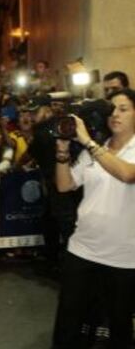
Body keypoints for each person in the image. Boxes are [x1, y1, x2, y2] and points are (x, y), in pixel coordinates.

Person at [52, 88, 135, 349]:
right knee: (69, 324)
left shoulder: (97, 147)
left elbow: (127, 175)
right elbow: (65, 185)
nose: (116, 115)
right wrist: (63, 151)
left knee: (119, 328)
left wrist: (88, 141)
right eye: (112, 110)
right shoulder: (94, 151)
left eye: (124, 109)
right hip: (82, 249)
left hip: (124, 256)